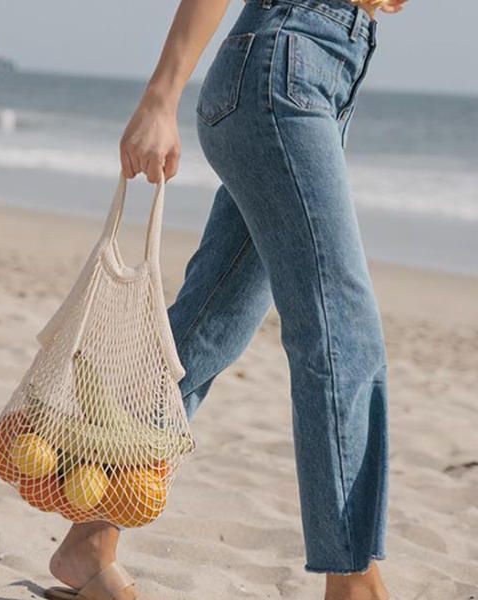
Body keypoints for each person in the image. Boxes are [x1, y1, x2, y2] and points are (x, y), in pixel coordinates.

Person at [45, 0, 407, 599]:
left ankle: (89, 539)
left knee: (212, 324)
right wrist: (161, 97)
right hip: (283, 68)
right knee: (341, 331)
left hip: (320, 73)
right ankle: (356, 583)